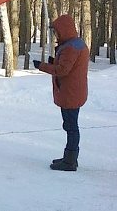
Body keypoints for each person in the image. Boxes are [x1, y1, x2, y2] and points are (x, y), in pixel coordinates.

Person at [34, 14, 89, 172]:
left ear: (64, 30)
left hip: (70, 93)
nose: (56, 35)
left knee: (71, 126)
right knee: (70, 125)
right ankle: (70, 157)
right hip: (73, 91)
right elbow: (65, 65)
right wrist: (54, 61)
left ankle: (70, 161)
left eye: (57, 31)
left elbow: (62, 70)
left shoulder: (71, 47)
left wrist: (42, 66)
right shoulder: (74, 44)